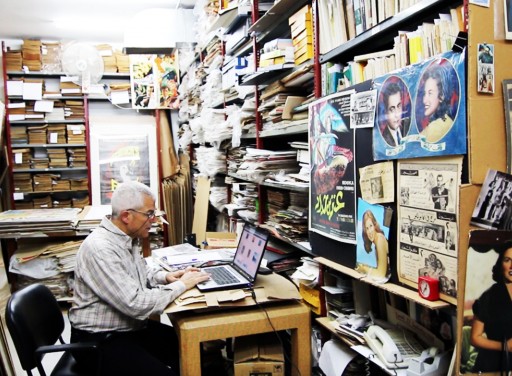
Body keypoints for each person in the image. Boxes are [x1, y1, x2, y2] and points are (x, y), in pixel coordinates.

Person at [69, 181, 210, 376]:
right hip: (97, 341)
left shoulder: (127, 237)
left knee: (188, 345)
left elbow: (142, 273)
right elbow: (135, 303)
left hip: (127, 329)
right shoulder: (101, 248)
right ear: (127, 216)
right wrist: (181, 285)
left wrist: (167, 277)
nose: (154, 220)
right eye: (149, 214)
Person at [470, 244, 512, 373]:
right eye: (507, 260)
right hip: (493, 363)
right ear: (500, 265)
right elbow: (475, 338)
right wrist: (505, 347)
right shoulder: (489, 296)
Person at [419, 63, 454, 143]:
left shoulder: (436, 128)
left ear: (441, 96)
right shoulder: (447, 121)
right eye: (425, 93)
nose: (424, 100)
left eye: (430, 93)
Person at [356, 210, 389, 282]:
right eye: (367, 228)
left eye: (370, 226)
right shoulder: (376, 242)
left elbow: (380, 275)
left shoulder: (379, 239)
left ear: (375, 225)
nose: (369, 231)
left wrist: (364, 268)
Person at [380, 82, 410, 147]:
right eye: (392, 109)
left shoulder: (409, 125)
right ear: (385, 111)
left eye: (399, 106)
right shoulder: (382, 141)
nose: (397, 114)